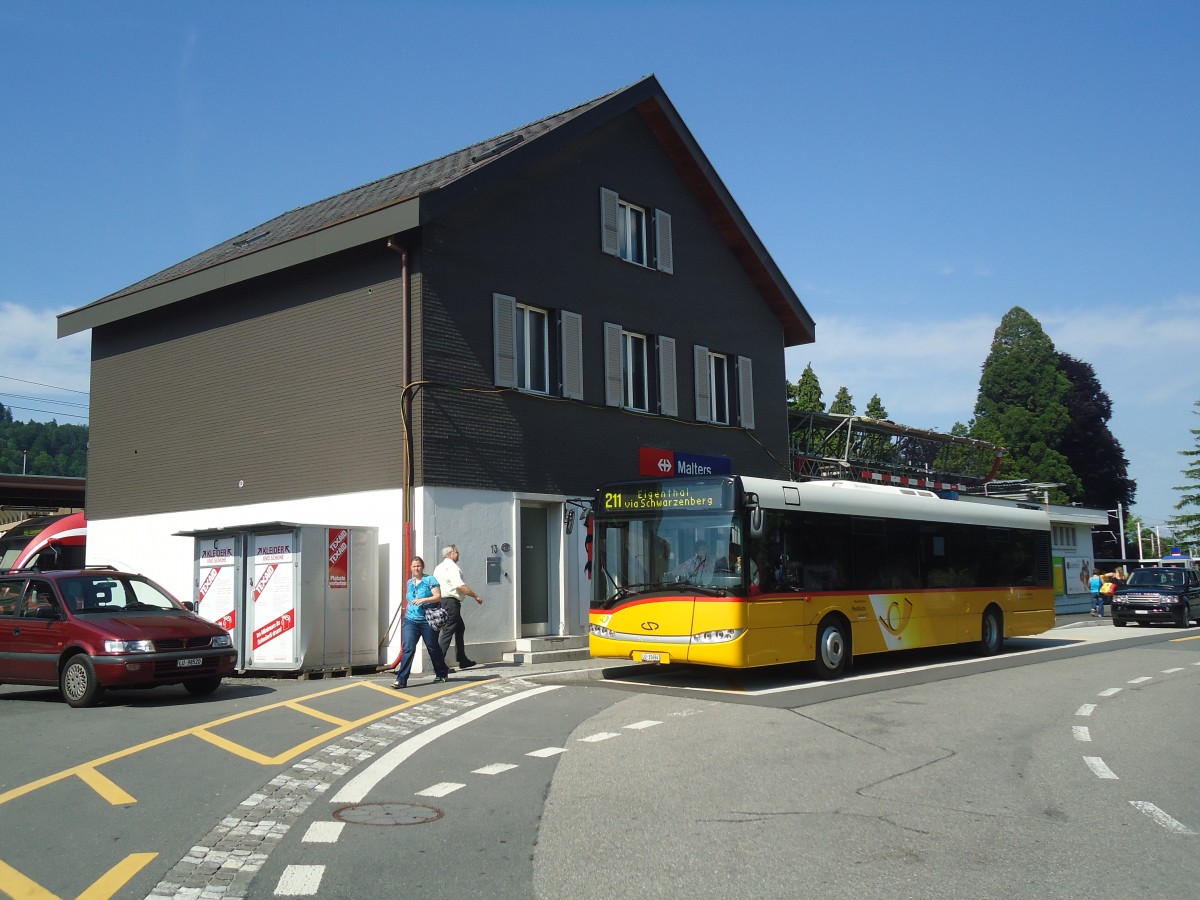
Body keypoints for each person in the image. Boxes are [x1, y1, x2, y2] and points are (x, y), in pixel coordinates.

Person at [392, 556, 451, 689]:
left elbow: (438, 596)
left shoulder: (430, 580)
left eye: (418, 566)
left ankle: (441, 673)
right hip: (411, 620)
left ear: (422, 567)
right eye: (413, 566)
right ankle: (401, 680)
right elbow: (410, 598)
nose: (416, 568)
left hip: (427, 620)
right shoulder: (410, 582)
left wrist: (424, 600)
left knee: (432, 647)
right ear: (411, 568)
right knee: (408, 648)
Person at [433, 544, 483, 670]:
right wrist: (475, 596)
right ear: (450, 554)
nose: (458, 554)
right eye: (457, 552)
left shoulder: (438, 568)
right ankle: (438, 664)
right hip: (451, 602)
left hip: (442, 601)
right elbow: (460, 586)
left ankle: (462, 659)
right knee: (448, 632)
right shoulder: (453, 568)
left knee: (460, 628)